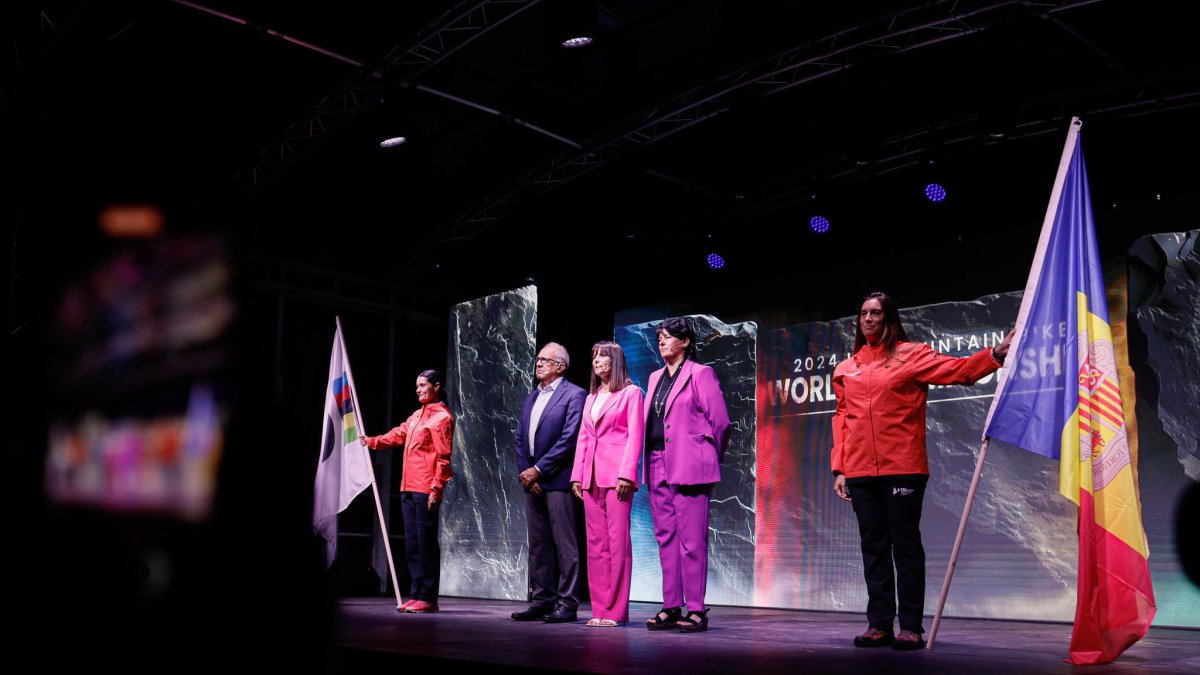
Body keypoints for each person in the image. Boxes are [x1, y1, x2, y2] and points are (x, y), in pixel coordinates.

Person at [831, 291, 1013, 650]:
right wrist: (840, 468)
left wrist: (993, 356)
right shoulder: (846, 368)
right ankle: (879, 624)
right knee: (874, 548)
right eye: (863, 313)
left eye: (875, 313)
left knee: (905, 546)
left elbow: (957, 371)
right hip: (860, 472)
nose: (868, 319)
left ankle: (910, 626)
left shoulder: (911, 355)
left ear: (889, 318)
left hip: (903, 468)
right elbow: (842, 419)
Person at [642, 317, 730, 633]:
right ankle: (670, 605)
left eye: (668, 336)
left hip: (690, 464)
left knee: (692, 541)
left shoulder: (700, 373)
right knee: (666, 537)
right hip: (655, 461)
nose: (662, 341)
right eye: (659, 337)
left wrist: (705, 457)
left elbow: (720, 422)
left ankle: (695, 609)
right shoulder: (654, 378)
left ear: (686, 342)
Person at [359, 369, 454, 614]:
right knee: (412, 543)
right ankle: (416, 593)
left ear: (436, 386)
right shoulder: (416, 416)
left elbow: (444, 457)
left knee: (426, 543)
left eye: (423, 385)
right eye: (416, 386)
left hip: (425, 488)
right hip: (407, 487)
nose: (418, 390)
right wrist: (371, 441)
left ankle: (429, 598)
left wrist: (437, 489)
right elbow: (398, 434)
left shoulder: (442, 417)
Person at [511, 342, 588, 624]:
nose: (539, 363)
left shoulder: (575, 394)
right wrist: (526, 473)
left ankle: (567, 603)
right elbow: (520, 437)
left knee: (564, 543)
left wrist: (540, 470)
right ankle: (542, 600)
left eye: (546, 360)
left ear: (561, 366)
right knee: (539, 544)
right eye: (538, 359)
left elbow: (570, 438)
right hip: (532, 481)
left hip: (557, 479)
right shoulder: (532, 397)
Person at [570, 341, 644, 627]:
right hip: (590, 477)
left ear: (615, 360)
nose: (597, 361)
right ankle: (600, 609)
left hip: (616, 478)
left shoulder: (631, 394)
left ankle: (615, 612)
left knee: (617, 544)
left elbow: (635, 435)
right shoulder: (591, 397)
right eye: (594, 357)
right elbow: (584, 438)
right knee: (596, 545)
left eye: (602, 356)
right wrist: (577, 474)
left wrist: (627, 474)